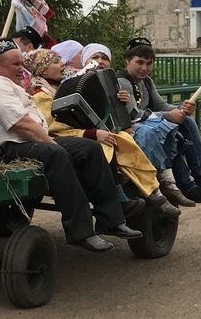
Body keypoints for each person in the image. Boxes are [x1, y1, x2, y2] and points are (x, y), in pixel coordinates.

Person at [0, 39, 141, 252]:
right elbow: (22, 125)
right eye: (16, 64)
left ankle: (111, 220)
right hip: (7, 149)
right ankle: (81, 231)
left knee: (89, 148)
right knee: (56, 153)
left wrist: (55, 143)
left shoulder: (8, 85)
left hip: (27, 143)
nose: (22, 68)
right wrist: (54, 144)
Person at [20, 48, 178, 219]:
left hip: (80, 132)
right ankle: (123, 195)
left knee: (123, 138)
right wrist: (92, 133)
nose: (62, 65)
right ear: (43, 69)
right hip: (63, 138)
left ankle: (152, 191)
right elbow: (54, 128)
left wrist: (121, 106)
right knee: (107, 144)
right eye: (56, 62)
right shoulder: (40, 95)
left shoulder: (60, 86)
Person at [117, 37, 201, 202]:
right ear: (127, 61)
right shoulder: (122, 81)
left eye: (149, 63)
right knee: (172, 133)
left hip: (149, 127)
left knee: (186, 122)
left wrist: (181, 109)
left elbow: (160, 105)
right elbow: (134, 114)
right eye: (140, 62)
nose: (144, 68)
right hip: (129, 133)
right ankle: (186, 185)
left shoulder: (146, 82)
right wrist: (168, 116)